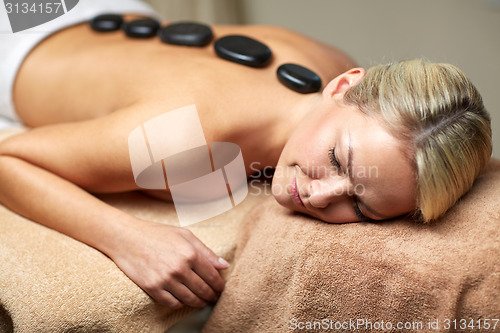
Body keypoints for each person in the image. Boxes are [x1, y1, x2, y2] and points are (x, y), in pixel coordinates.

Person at [0, 2, 491, 309]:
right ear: (345, 85)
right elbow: (10, 160)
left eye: (360, 206)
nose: (319, 196)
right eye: (340, 162)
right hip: (16, 31)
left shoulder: (337, 70)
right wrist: (127, 237)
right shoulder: (183, 140)